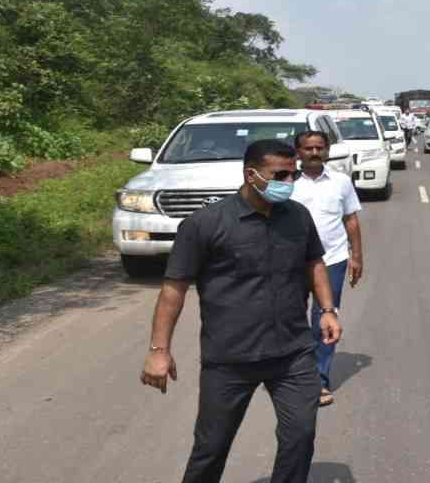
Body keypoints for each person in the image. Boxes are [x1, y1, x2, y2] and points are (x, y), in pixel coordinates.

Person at [140, 139, 342, 483]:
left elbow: (314, 263)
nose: (289, 183)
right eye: (280, 175)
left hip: (292, 354)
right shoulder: (205, 224)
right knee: (211, 448)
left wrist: (327, 308)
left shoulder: (297, 216)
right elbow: (174, 289)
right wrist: (159, 350)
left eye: (292, 175)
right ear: (251, 174)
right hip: (230, 358)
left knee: (300, 438)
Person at [290, 131, 363, 407]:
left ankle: (319, 379)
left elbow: (351, 220)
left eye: (319, 148)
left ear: (328, 150)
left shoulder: (341, 182)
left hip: (332, 260)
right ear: (297, 152)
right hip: (290, 263)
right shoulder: (286, 184)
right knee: (291, 319)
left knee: (325, 319)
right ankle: (293, 375)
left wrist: (356, 257)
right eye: (308, 148)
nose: (314, 153)